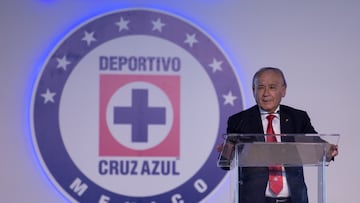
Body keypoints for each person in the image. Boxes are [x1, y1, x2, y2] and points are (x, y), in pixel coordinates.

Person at [217, 67, 338, 203]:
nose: (266, 93)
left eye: (272, 87)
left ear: (283, 90)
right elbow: (226, 163)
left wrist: (328, 150)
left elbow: (315, 143)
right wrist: (227, 152)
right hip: (253, 199)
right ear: (253, 90)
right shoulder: (239, 120)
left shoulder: (298, 118)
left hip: (294, 199)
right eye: (261, 87)